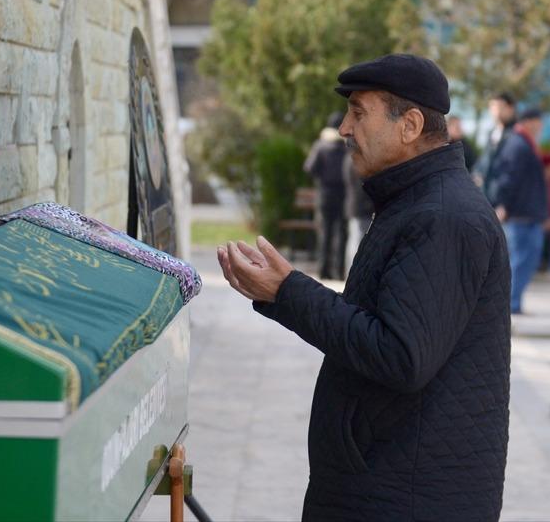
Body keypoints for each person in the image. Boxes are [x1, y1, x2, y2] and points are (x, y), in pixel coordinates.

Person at [216, 54, 510, 521]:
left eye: (358, 112)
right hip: (386, 482)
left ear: (410, 125)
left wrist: (287, 291)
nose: (344, 128)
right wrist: (284, 293)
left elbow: (400, 354)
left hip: (406, 497)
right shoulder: (414, 202)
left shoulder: (440, 216)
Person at [491, 107, 549, 314]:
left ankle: (512, 304)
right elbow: (508, 177)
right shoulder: (518, 144)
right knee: (521, 260)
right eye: (538, 122)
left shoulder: (523, 143)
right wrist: (503, 205)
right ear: (529, 122)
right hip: (520, 215)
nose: (541, 127)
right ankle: (510, 304)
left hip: (526, 214)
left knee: (524, 259)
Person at [305, 112, 350, 280]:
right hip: (343, 194)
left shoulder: (321, 146)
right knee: (341, 233)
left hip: (324, 194)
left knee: (325, 232)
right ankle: (339, 270)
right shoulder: (347, 146)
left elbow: (309, 168)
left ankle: (323, 270)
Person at [342, 149, 373, 279]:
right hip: (361, 207)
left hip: (355, 206)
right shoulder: (358, 161)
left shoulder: (349, 159)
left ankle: (351, 274)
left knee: (354, 240)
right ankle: (353, 274)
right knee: (357, 241)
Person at [480, 91, 516, 199]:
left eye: (499, 107)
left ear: (511, 108)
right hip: (487, 196)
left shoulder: (517, 134)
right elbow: (484, 160)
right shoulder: (491, 133)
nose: (495, 111)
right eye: (492, 107)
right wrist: (477, 173)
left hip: (506, 199)